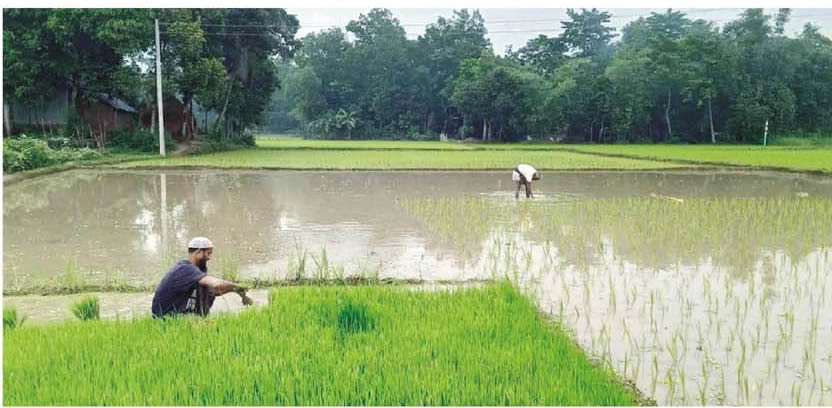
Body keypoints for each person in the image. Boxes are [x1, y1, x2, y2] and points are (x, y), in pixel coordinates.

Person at [151, 237, 253, 318]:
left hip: (182, 316)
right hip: (167, 318)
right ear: (199, 252)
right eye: (208, 253)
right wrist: (237, 286)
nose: (210, 258)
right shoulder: (185, 268)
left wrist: (240, 293)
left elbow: (213, 291)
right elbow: (216, 285)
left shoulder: (195, 272)